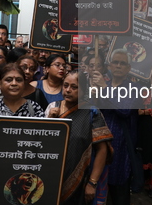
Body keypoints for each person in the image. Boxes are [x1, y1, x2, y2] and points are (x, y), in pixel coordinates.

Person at [46, 71, 113, 205]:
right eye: (65, 86)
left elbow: (102, 150)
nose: (68, 90)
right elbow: (42, 143)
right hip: (51, 177)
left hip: (81, 180)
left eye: (74, 87)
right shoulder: (53, 108)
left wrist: (92, 183)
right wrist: (50, 120)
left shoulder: (91, 112)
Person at [90, 49, 141, 204]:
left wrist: (104, 89)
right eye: (115, 62)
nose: (118, 66)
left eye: (122, 63)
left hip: (120, 150)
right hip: (98, 146)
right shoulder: (99, 83)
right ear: (110, 65)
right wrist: (93, 93)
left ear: (128, 68)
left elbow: (124, 109)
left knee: (119, 194)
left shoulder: (134, 88)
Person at [0, 63, 44, 168]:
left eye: (19, 80)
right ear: (0, 84)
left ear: (24, 84)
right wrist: (4, 160)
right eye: (9, 80)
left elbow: (43, 142)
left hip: (27, 171)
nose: (14, 83)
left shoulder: (35, 109)